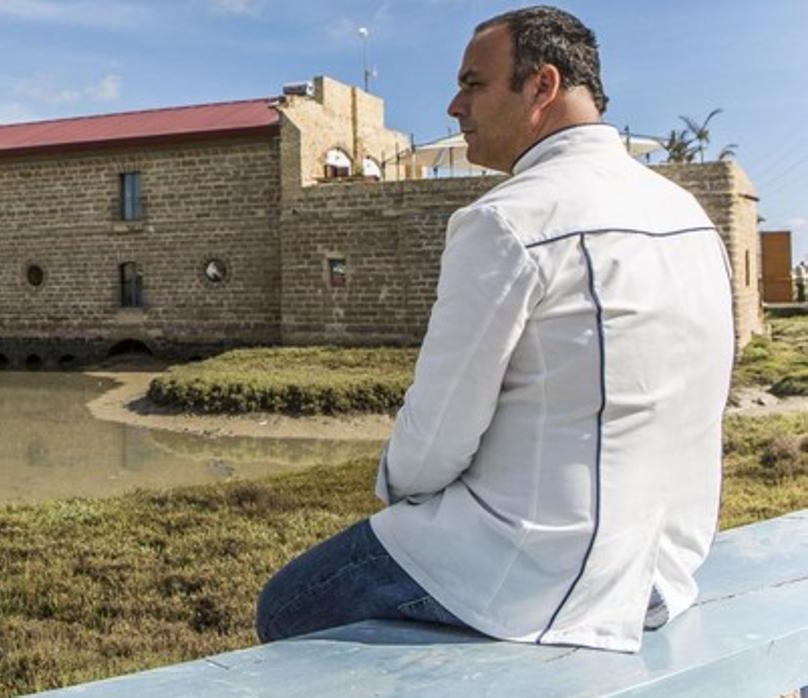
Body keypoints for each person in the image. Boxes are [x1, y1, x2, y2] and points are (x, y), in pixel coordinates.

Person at [256, 5, 733, 653]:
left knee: (288, 605)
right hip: (662, 572)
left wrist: (399, 490)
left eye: (473, 83)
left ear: (543, 86)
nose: (454, 105)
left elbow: (436, 438)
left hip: (543, 580)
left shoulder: (507, 220)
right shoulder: (687, 213)